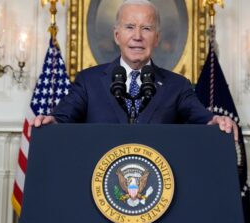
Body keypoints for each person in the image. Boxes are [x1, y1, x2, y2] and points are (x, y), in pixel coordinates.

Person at [31, 0, 238, 140]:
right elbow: (63, 116)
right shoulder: (88, 81)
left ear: (156, 38)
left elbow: (202, 118)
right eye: (130, 27)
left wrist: (216, 121)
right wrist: (52, 121)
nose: (137, 36)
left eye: (146, 28)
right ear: (117, 35)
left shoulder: (177, 86)